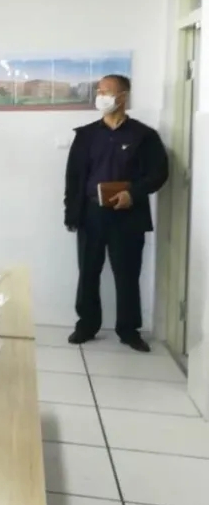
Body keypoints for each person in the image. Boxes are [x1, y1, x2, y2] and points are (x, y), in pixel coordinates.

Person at [65, 74, 168, 352]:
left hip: (128, 216)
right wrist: (71, 213)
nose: (101, 96)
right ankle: (86, 325)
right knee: (88, 271)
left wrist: (133, 193)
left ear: (123, 97)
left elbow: (158, 174)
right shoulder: (86, 136)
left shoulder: (144, 136)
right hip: (91, 214)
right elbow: (73, 178)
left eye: (107, 91)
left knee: (127, 274)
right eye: (99, 91)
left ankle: (129, 330)